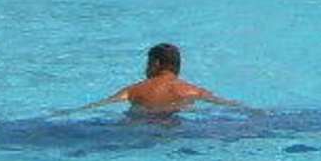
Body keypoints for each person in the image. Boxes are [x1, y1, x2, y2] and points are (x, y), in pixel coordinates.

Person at [82, 42, 253, 117]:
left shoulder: (133, 90)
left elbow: (99, 105)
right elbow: (228, 104)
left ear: (156, 64)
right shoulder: (193, 91)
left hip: (139, 127)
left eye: (148, 64)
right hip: (174, 129)